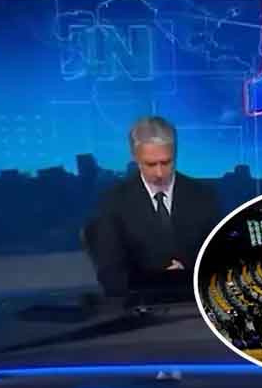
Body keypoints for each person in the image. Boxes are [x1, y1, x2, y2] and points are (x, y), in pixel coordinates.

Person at [91, 116, 221, 296]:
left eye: (166, 162)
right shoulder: (114, 202)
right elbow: (110, 275)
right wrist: (159, 281)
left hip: (195, 300)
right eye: (151, 164)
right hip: (142, 304)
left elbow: (221, 261)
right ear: (135, 157)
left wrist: (187, 276)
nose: (159, 173)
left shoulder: (203, 197)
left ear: (175, 154)